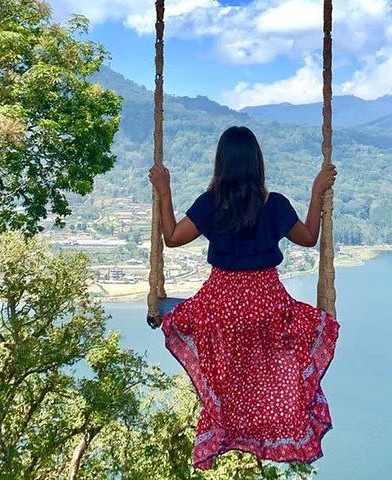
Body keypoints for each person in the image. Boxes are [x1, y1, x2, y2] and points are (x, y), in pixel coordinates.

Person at [147, 125, 340, 471]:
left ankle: (228, 424)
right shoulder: (275, 204)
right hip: (267, 305)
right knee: (286, 349)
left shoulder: (210, 204)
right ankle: (267, 423)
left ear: (221, 163)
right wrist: (316, 191)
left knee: (223, 361)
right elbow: (310, 237)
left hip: (220, 306)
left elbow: (172, 237)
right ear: (257, 163)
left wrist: (164, 189)